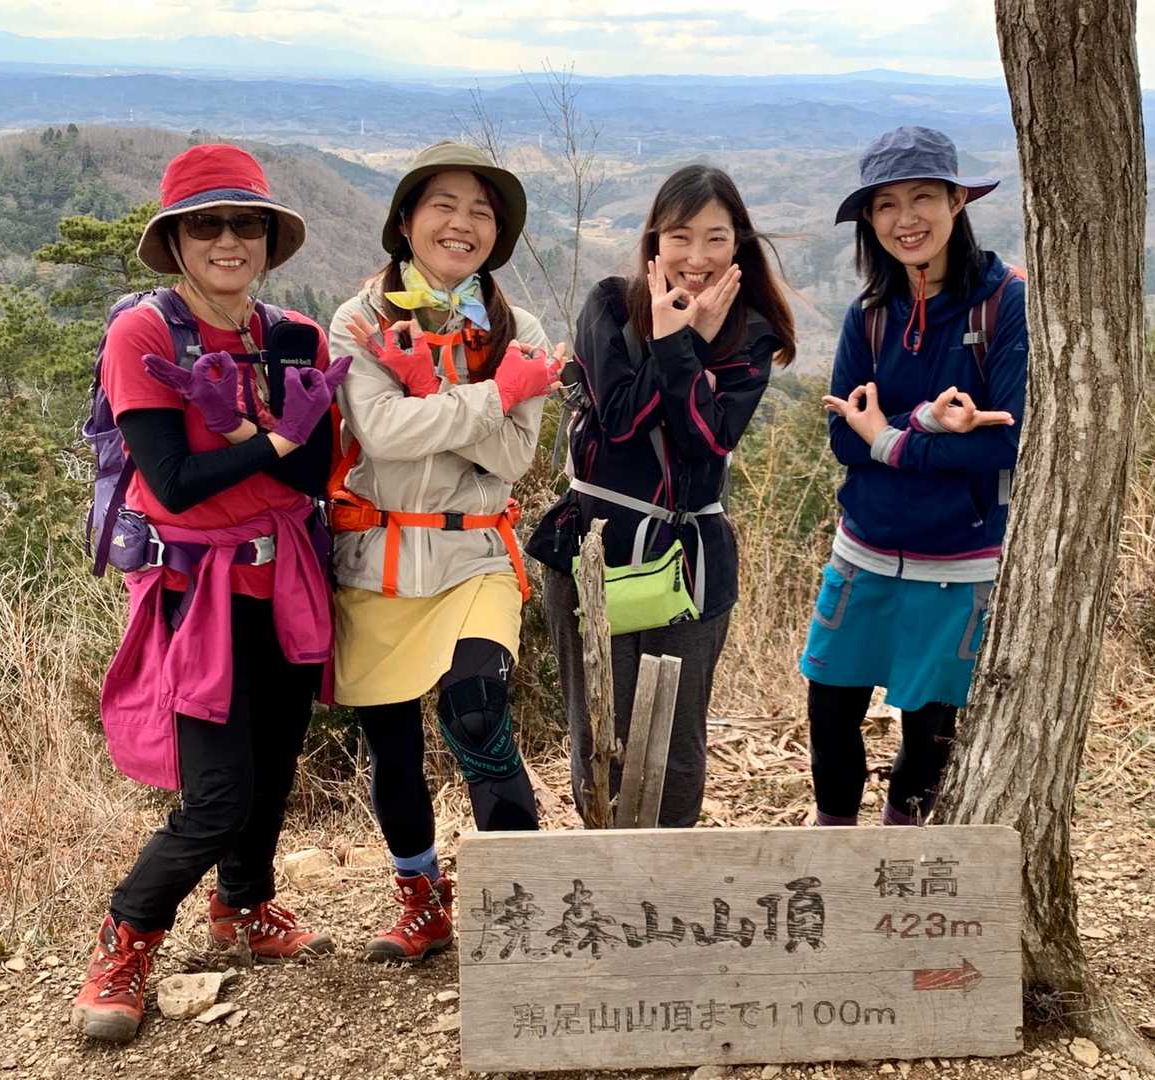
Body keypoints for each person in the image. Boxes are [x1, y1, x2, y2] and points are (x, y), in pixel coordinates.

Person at [71, 144, 347, 1042]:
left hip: (286, 575)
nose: (228, 240)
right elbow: (175, 482)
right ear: (176, 241)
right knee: (218, 793)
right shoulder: (144, 335)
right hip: (199, 590)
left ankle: (243, 905)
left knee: (275, 760)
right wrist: (270, 438)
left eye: (245, 224)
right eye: (206, 226)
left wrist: (260, 439)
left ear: (268, 237)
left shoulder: (294, 337)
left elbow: (314, 471)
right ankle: (126, 940)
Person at [326, 142, 560, 963]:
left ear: (497, 234)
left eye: (481, 212)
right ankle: (422, 900)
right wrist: (494, 396)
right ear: (405, 221)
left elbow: (514, 458)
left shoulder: (517, 328)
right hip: (377, 557)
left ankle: (522, 906)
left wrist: (434, 397)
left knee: (476, 710)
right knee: (391, 749)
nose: (462, 224)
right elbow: (383, 435)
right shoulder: (358, 320)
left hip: (473, 555)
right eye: (443, 205)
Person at [528, 164, 796, 828]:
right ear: (655, 241)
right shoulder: (611, 305)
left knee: (674, 746)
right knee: (599, 733)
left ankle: (665, 874)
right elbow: (620, 419)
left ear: (738, 245)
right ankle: (606, 868)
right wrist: (682, 343)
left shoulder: (751, 332)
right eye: (680, 237)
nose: (697, 257)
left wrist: (679, 345)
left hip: (688, 561)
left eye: (715, 238)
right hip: (592, 549)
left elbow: (707, 438)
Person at [804, 125, 1027, 827]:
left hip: (958, 563)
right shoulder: (869, 314)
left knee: (927, 736)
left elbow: (1005, 440)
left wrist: (891, 439)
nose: (906, 219)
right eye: (885, 204)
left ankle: (898, 863)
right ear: (869, 220)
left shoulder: (1004, 303)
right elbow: (842, 435)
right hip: (862, 551)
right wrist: (926, 425)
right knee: (828, 713)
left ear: (957, 201)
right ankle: (834, 860)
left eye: (923, 197)